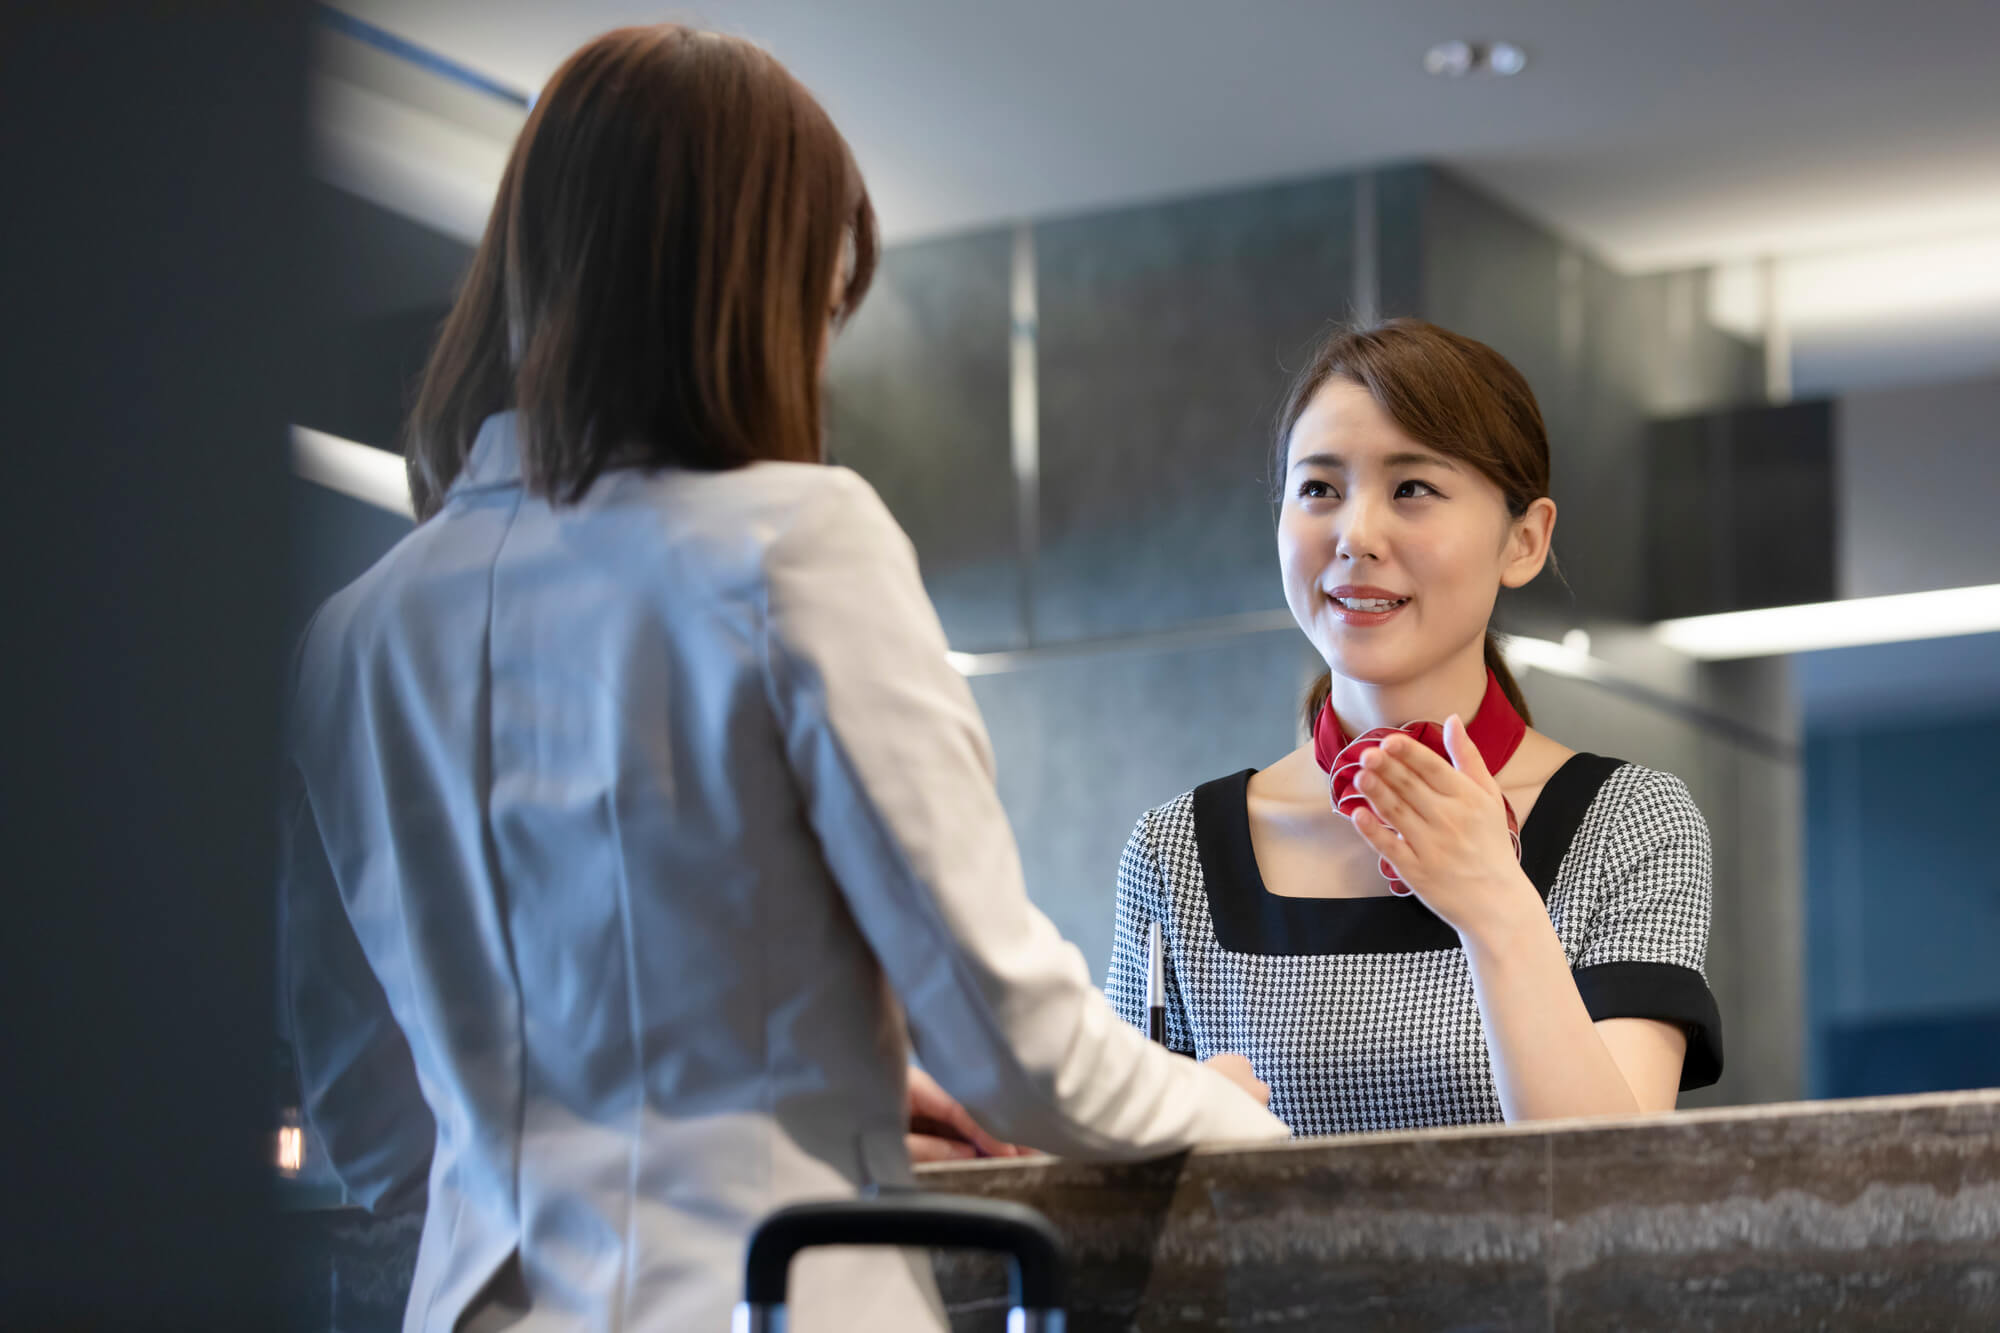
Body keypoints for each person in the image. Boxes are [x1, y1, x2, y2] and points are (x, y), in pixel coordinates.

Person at [279, 24, 1285, 1333]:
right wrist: (1235, 1114)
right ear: (749, 288)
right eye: (819, 301)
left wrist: (827, 1083)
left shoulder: (353, 634)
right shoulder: (794, 543)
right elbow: (1013, 1041)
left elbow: (370, 1106)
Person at [1105, 319, 1724, 1137]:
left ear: (1525, 539)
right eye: (1319, 489)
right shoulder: (1173, 850)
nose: (1356, 535)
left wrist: (1497, 905)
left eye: (1412, 489)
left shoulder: (1629, 826)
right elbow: (1105, 1205)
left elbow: (1616, 1192)